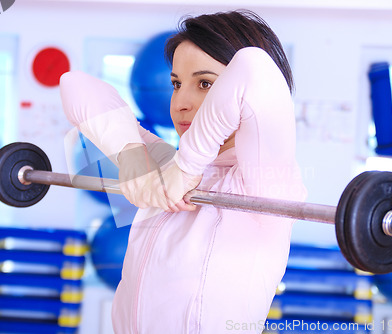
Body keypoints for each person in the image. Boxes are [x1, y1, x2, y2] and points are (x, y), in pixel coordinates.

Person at [60, 9, 306, 334]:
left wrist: (187, 168)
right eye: (176, 83)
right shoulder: (162, 166)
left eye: (205, 84)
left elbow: (255, 67)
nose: (180, 102)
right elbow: (74, 84)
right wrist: (134, 159)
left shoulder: (266, 178)